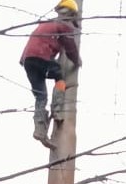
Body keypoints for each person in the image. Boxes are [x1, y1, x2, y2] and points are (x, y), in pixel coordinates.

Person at [20, 0, 82, 147]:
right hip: (41, 57)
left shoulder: (45, 24)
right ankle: (57, 110)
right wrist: (77, 61)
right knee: (59, 76)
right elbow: (70, 48)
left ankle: (40, 130)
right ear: (70, 14)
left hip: (28, 61)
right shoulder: (63, 25)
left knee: (40, 95)